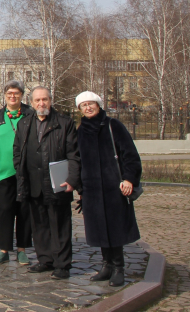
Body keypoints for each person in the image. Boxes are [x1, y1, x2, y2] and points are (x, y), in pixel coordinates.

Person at [75, 91, 141, 287]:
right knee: (99, 228)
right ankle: (106, 265)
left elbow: (130, 154)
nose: (88, 107)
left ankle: (118, 267)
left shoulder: (113, 126)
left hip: (114, 187)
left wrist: (129, 179)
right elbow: (78, 160)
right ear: (79, 109)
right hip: (92, 188)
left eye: (91, 104)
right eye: (83, 105)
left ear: (98, 105)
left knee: (115, 227)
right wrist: (80, 186)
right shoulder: (81, 130)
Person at [13, 86, 80, 280]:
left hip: (57, 182)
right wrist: (21, 170)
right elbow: (17, 151)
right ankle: (45, 259)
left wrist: (71, 179)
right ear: (32, 103)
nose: (41, 103)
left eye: (45, 100)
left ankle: (62, 264)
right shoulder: (25, 124)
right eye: (37, 100)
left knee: (59, 224)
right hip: (33, 182)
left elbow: (73, 155)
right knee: (39, 223)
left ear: (51, 101)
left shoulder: (64, 123)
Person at [0, 81, 33, 266]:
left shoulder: (30, 115)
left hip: (25, 174)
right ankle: (4, 249)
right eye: (10, 93)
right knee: (5, 212)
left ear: (22, 95)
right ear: (5, 95)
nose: (13, 96)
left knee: (24, 212)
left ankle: (22, 249)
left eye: (16, 93)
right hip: (3, 173)